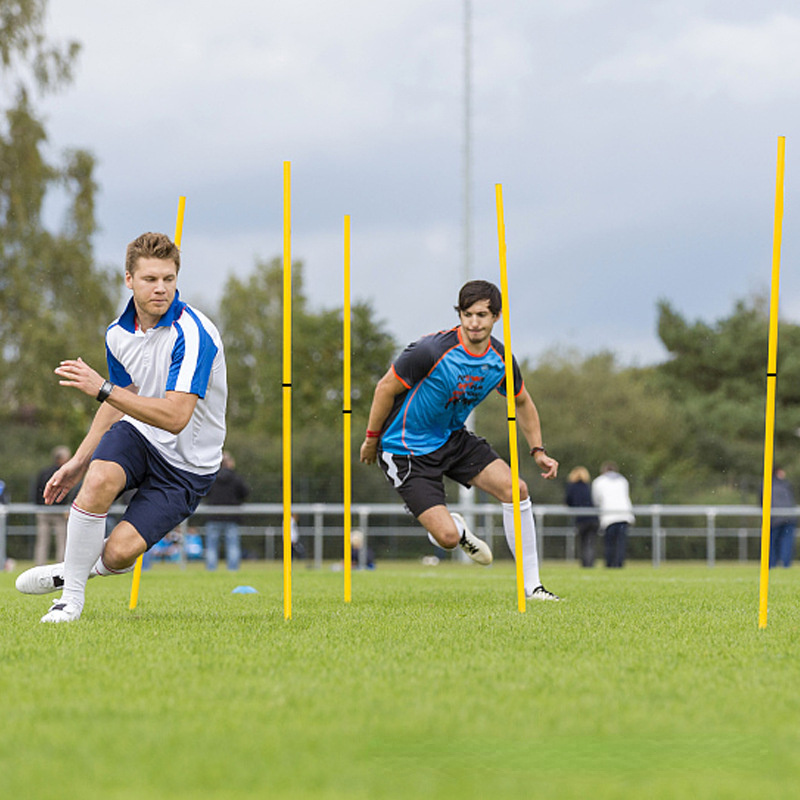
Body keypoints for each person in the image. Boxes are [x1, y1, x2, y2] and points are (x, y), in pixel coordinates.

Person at [15, 232, 227, 623]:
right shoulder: (117, 333)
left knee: (117, 554)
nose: (161, 288)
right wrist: (79, 461)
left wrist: (103, 388)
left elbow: (176, 417)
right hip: (140, 435)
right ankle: (70, 600)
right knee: (97, 480)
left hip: (188, 466)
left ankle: (72, 571)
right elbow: (119, 399)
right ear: (129, 279)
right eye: (150, 279)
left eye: (168, 278)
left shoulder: (195, 334)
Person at [360, 279, 560, 600]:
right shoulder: (430, 352)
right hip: (405, 449)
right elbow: (385, 388)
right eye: (467, 314)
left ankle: (533, 587)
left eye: (482, 315)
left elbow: (522, 401)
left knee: (516, 488)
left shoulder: (501, 360)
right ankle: (458, 529)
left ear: (496, 316)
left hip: (452, 439)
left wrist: (538, 450)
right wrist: (371, 439)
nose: (474, 323)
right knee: (448, 538)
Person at [203, 451, 249, 571]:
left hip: (213, 516)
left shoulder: (211, 478)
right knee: (233, 546)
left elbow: (204, 492)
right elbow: (245, 492)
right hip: (232, 516)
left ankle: (211, 570)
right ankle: (233, 571)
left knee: (211, 547)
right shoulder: (236, 478)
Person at [31, 446, 72, 565]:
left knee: (42, 541)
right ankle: (61, 566)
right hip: (58, 511)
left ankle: (39, 565)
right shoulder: (63, 474)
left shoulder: (43, 472)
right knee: (61, 541)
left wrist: (39, 506)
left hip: (43, 510)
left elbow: (36, 491)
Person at [591, 461, 634, 568]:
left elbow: (596, 500)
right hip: (624, 515)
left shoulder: (599, 481)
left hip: (609, 517)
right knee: (620, 543)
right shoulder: (623, 480)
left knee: (609, 543)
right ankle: (619, 564)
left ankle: (610, 565)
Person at [763, 466, 797, 568]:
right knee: (784, 543)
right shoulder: (785, 485)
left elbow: (762, 501)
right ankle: (784, 564)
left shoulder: (768, 484)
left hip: (776, 518)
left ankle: (772, 564)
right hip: (785, 518)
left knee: (772, 543)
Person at [565, 466, 599, 567]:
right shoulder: (588, 486)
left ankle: (585, 564)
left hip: (581, 519)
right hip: (593, 518)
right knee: (590, 542)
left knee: (583, 542)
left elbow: (568, 501)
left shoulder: (572, 487)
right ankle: (590, 563)